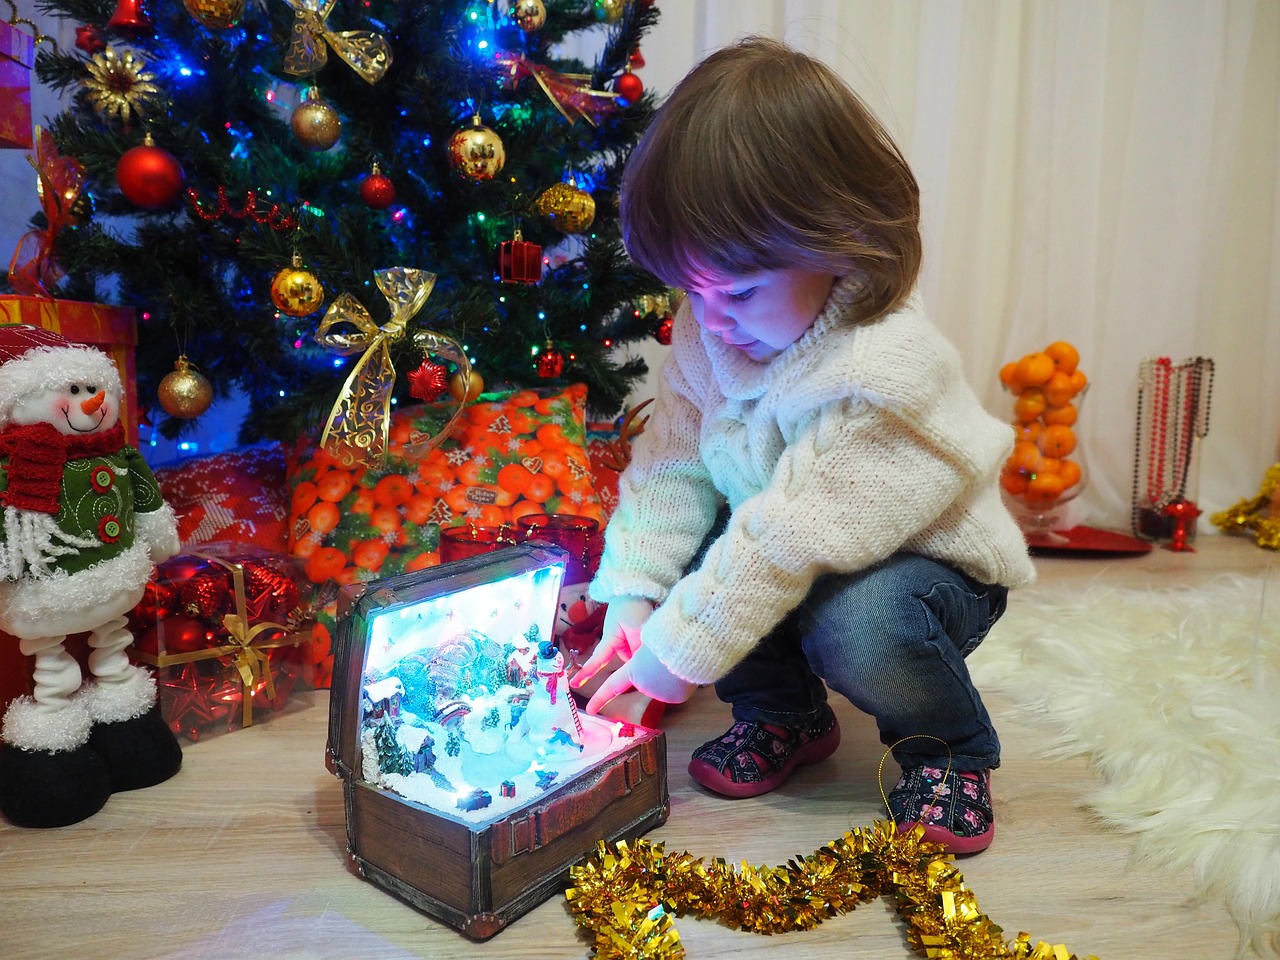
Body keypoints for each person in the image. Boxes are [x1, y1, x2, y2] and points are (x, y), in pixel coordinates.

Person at [572, 36, 1036, 854]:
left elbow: (785, 538)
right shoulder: (710, 328)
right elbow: (672, 465)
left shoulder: (886, 367)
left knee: (856, 620)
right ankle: (785, 714)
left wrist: (670, 661)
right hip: (796, 544)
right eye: (692, 289)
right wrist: (635, 596)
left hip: (932, 571)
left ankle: (948, 751)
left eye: (741, 290)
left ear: (839, 240)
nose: (710, 318)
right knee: (703, 557)